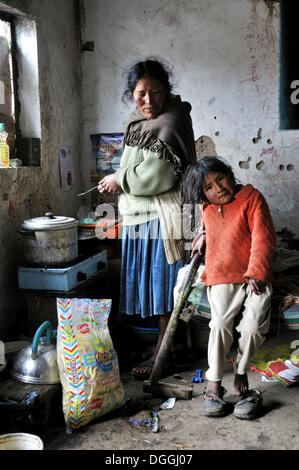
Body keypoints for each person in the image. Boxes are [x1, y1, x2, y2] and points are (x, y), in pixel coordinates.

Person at [98, 59, 196, 379]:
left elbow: (159, 175)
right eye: (141, 94)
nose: (148, 101)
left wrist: (118, 179)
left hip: (162, 218)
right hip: (139, 218)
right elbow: (132, 165)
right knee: (153, 288)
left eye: (155, 92)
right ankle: (165, 347)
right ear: (131, 94)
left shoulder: (173, 121)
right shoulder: (137, 122)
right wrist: (118, 177)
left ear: (167, 91)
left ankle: (164, 354)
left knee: (167, 289)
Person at [182, 156, 276, 419]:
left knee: (253, 325)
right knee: (219, 323)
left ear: (229, 174)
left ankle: (241, 370)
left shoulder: (251, 198)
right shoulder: (208, 206)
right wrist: (201, 236)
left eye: (220, 178)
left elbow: (263, 237)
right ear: (203, 194)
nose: (218, 188)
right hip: (222, 274)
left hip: (255, 275)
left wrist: (257, 272)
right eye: (209, 187)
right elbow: (207, 225)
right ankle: (213, 383)